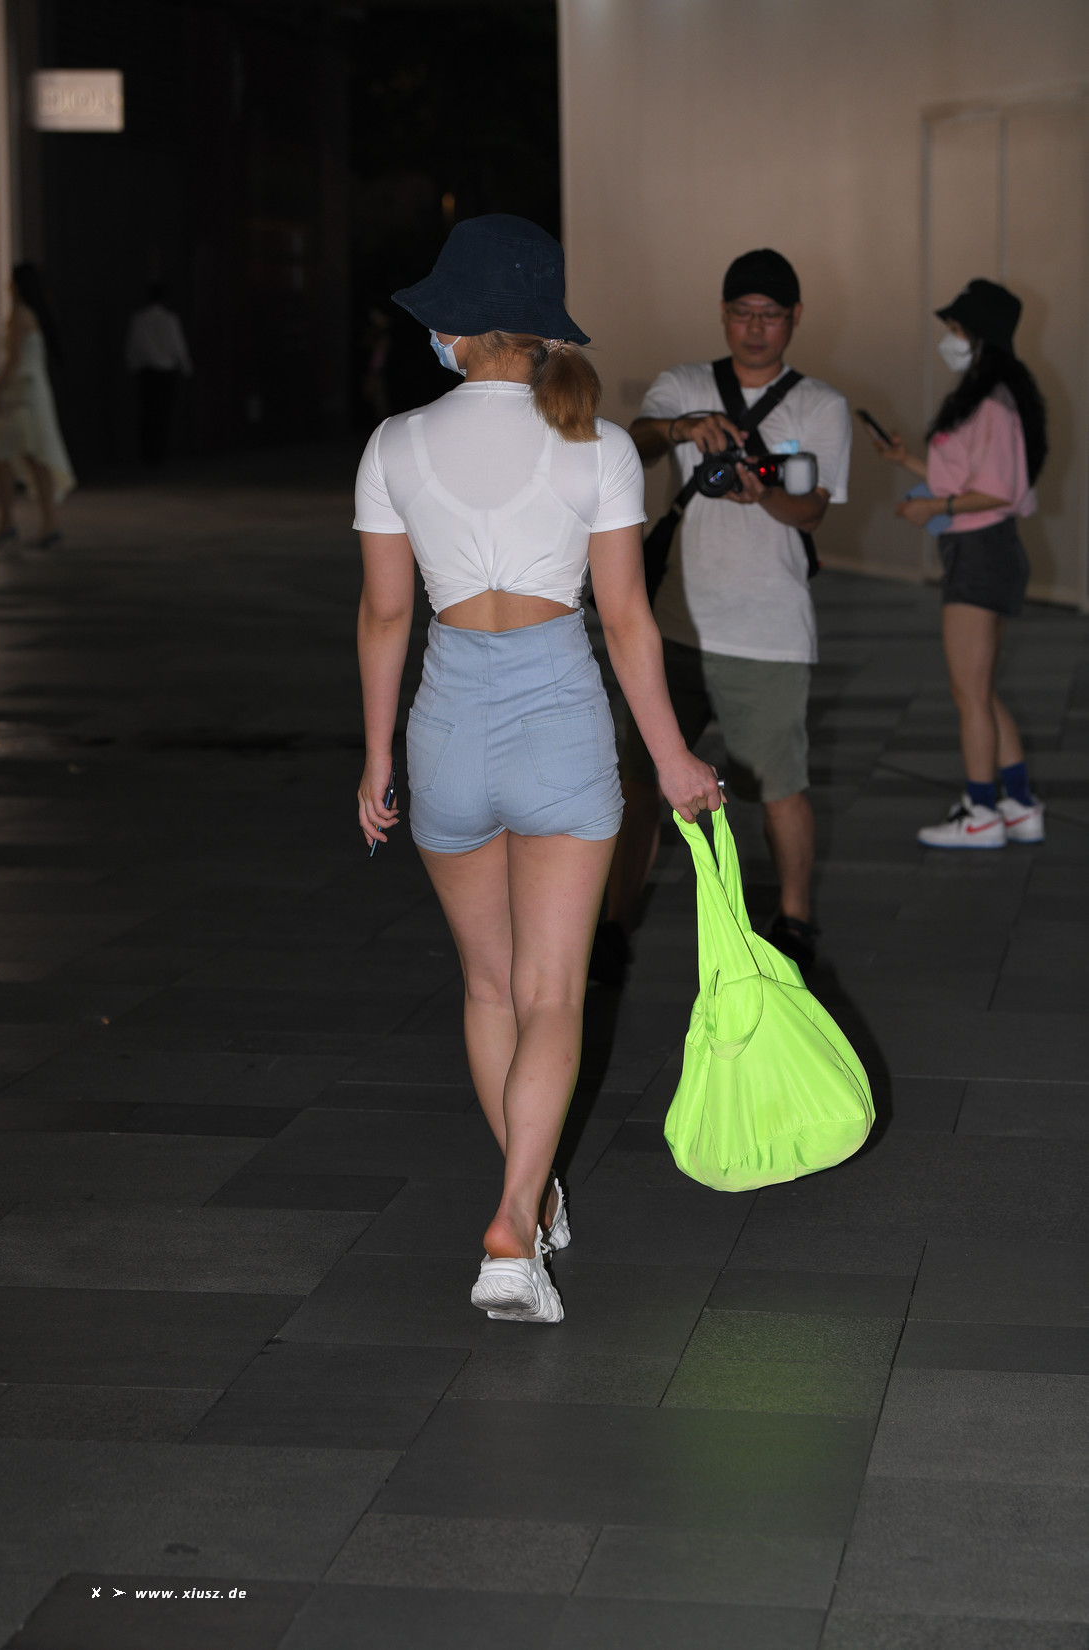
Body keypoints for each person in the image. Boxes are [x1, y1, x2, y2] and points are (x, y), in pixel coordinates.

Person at [354, 215, 722, 1325]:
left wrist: (374, 758)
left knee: (488, 988)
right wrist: (671, 757)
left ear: (458, 328)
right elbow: (626, 620)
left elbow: (384, 615)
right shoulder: (595, 445)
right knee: (555, 992)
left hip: (445, 729)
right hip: (559, 721)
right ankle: (514, 1224)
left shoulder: (393, 444)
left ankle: (532, 1192)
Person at [594, 249, 851, 980]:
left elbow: (812, 511)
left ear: (795, 318)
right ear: (722, 314)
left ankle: (794, 919)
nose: (755, 327)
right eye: (742, 312)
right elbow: (634, 446)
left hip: (768, 633)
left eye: (770, 314)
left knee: (780, 787)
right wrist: (683, 429)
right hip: (673, 627)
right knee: (639, 784)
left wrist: (761, 493)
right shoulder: (684, 385)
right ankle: (614, 923)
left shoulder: (820, 405)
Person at [866, 278, 1047, 848]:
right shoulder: (991, 397)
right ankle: (1018, 804)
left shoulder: (992, 404)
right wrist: (908, 462)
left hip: (980, 554)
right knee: (981, 689)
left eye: (955, 329)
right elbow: (971, 478)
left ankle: (980, 812)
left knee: (969, 693)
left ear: (980, 335)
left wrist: (932, 508)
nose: (949, 338)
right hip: (986, 551)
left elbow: (995, 491)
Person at [0, 263, 75, 549]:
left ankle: (10, 523)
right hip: (31, 395)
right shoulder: (33, 315)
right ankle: (45, 523)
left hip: (20, 398)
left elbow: (12, 361)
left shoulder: (20, 315)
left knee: (9, 456)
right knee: (33, 458)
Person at [125, 281, 193, 464]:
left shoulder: (141, 319)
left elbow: (133, 345)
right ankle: (159, 454)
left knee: (148, 412)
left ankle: (150, 454)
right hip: (165, 372)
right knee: (163, 412)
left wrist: (132, 365)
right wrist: (186, 366)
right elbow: (178, 346)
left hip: (148, 372)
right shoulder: (169, 320)